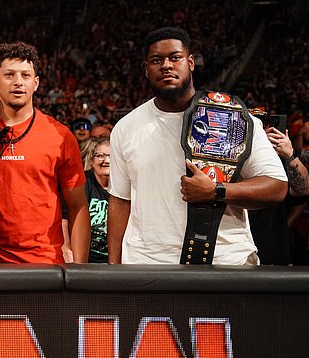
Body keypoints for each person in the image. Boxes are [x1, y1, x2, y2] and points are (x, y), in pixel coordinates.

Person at [107, 27, 288, 265]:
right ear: (146, 69)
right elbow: (120, 201)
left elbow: (276, 187)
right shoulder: (126, 127)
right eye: (156, 60)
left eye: (175, 57)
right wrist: (113, 266)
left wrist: (217, 191)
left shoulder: (234, 118)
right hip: (147, 264)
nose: (166, 65)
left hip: (226, 261)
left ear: (190, 62)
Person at [0, 41, 90, 264]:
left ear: (35, 83)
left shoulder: (60, 136)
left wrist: (81, 268)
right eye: (9, 75)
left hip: (44, 263)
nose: (18, 82)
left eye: (25, 75)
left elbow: (77, 205)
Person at [248, 111, 309, 265]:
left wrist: (289, 154)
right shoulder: (231, 155)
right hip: (238, 246)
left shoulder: (279, 159)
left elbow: (303, 190)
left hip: (271, 246)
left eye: (263, 125)